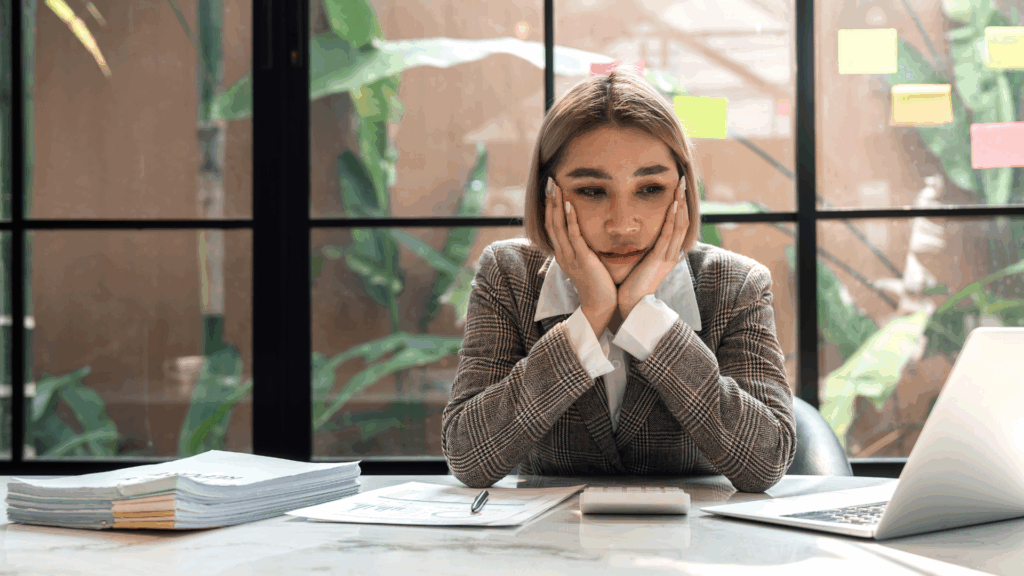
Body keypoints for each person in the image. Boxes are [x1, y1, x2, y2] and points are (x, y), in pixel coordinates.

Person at [441, 65, 796, 492]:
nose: (623, 225)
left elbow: (765, 462)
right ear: (547, 194)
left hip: (694, 547)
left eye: (650, 190)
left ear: (683, 193)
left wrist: (646, 318)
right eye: (592, 191)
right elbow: (467, 456)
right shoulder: (510, 274)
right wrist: (590, 316)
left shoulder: (735, 285)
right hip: (549, 549)